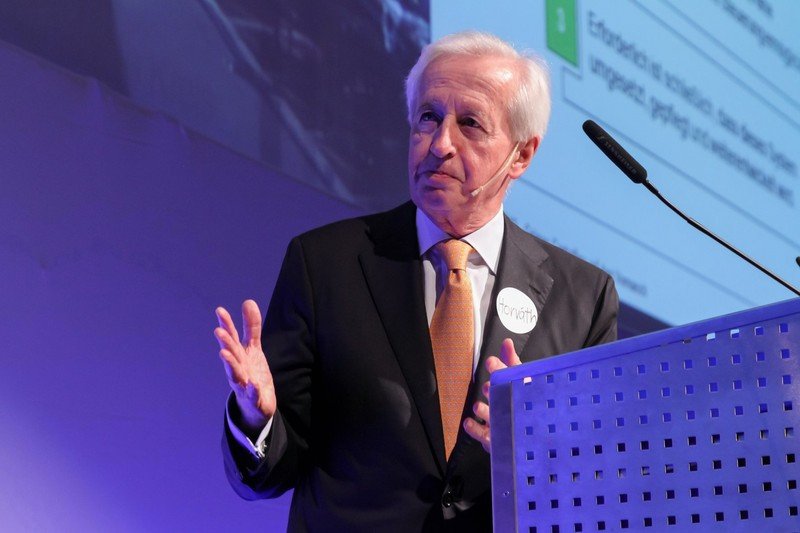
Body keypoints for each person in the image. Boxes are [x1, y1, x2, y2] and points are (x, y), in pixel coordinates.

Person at [214, 31, 618, 531]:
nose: (440, 144)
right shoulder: (324, 264)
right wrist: (255, 420)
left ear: (521, 155)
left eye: (470, 123)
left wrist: (541, 455)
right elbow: (271, 471)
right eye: (429, 117)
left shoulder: (584, 298)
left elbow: (601, 484)